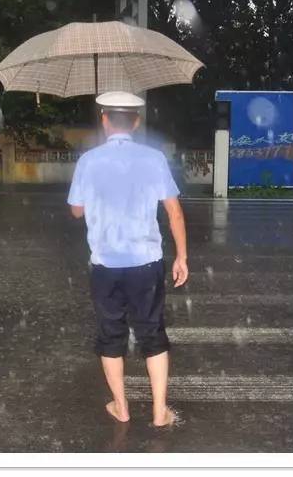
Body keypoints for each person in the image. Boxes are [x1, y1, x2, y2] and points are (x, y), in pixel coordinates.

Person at [67, 91, 189, 428]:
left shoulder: (88, 161)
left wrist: (97, 195)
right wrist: (182, 257)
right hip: (146, 263)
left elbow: (76, 211)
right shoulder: (154, 159)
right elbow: (174, 211)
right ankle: (159, 411)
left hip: (105, 264)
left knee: (111, 334)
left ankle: (121, 407)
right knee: (152, 333)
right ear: (135, 121)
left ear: (104, 120)